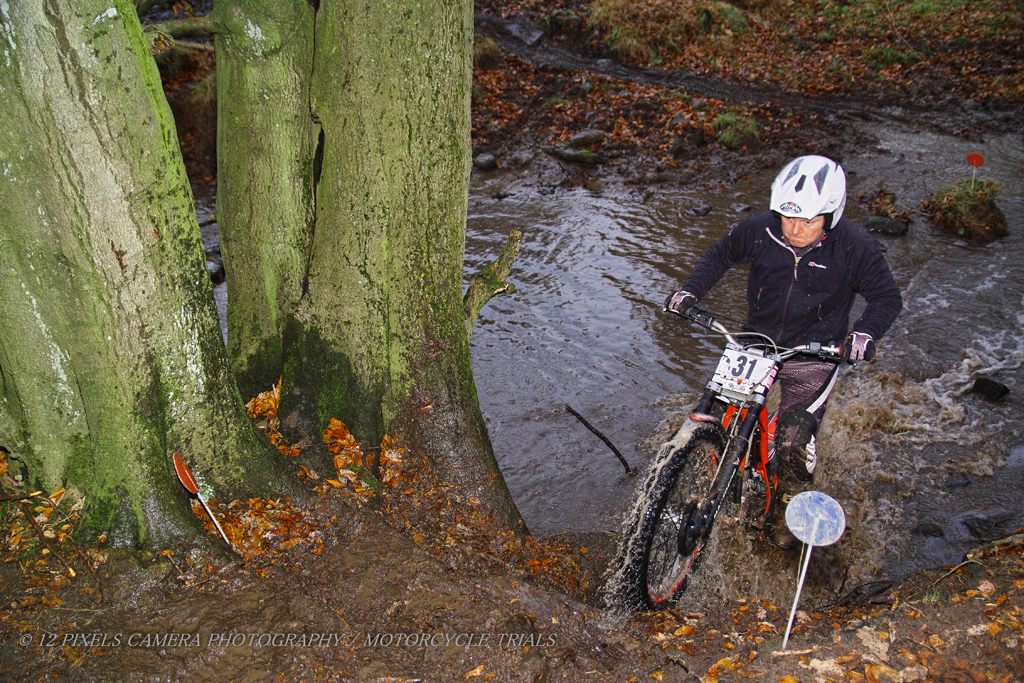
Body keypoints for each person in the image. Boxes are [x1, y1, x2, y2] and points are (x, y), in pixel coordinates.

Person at [664, 154, 902, 548]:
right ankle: (693, 475)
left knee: (792, 442)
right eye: (788, 217)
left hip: (816, 354)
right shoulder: (761, 229)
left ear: (831, 214)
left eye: (808, 220)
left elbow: (886, 297)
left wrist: (863, 334)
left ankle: (788, 503)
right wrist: (690, 291)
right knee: (715, 412)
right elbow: (719, 255)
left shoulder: (855, 246)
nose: (794, 229)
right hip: (755, 341)